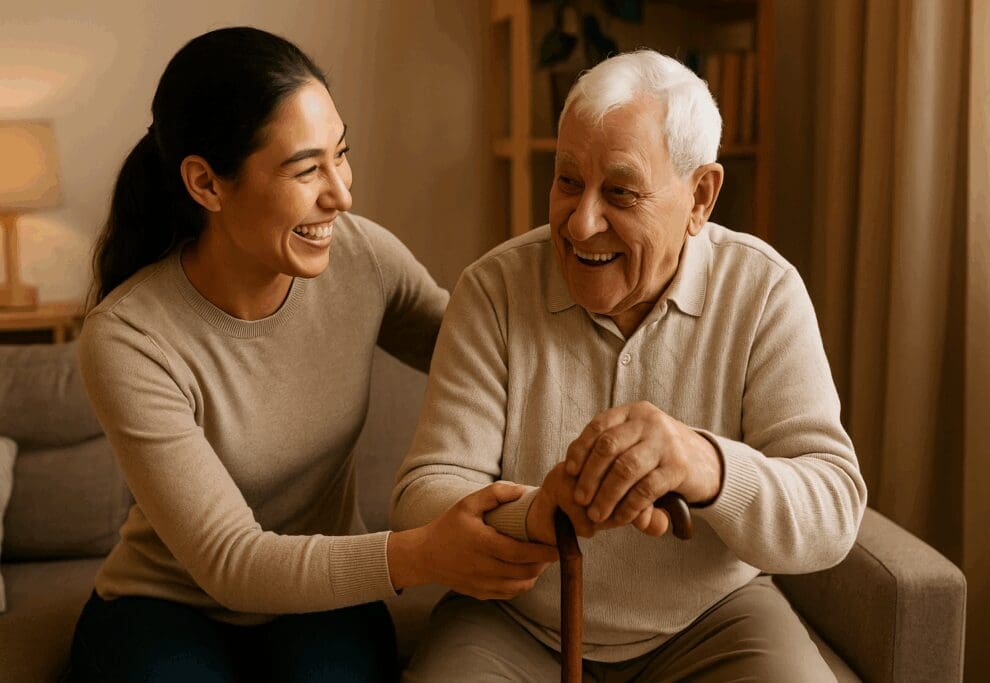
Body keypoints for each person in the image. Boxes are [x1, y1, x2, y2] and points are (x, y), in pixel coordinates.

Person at [69, 26, 557, 683]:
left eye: (341, 154)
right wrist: (423, 554)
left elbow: (488, 356)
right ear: (206, 184)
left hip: (324, 602)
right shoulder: (129, 337)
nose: (342, 194)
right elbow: (232, 560)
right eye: (306, 169)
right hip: (164, 604)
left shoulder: (361, 258)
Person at [391, 49, 868, 681]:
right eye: (567, 181)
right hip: (517, 621)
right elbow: (421, 498)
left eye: (620, 192)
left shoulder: (763, 291)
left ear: (701, 196)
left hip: (712, 618)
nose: (582, 224)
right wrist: (540, 513)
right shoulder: (494, 291)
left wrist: (705, 463)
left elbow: (832, 508)